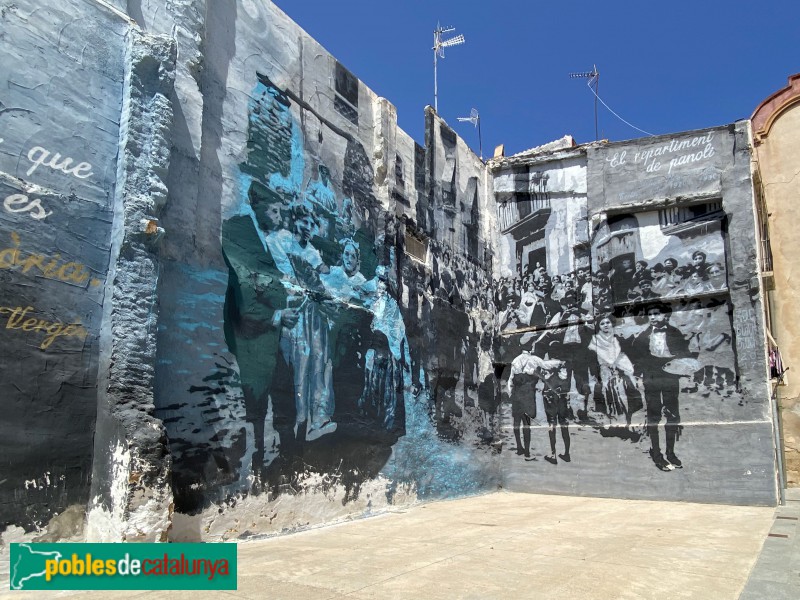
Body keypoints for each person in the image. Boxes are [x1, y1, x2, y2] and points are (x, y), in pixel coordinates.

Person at [267, 199, 337, 443]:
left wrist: (323, 274)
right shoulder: (281, 240)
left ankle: (318, 418)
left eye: (311, 223)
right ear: (295, 221)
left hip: (313, 314)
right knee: (300, 364)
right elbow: (283, 274)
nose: (308, 227)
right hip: (295, 312)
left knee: (319, 363)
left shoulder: (311, 251)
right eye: (304, 222)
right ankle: (299, 421)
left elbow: (323, 270)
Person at [630, 303, 693, 471]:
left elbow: (684, 353)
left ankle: (670, 453)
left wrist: (680, 368)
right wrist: (638, 376)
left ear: (665, 316)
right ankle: (657, 454)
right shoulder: (643, 336)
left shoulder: (674, 333)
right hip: (651, 377)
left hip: (670, 375)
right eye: (650, 314)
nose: (652, 317)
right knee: (654, 415)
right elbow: (637, 358)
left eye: (656, 314)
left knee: (672, 414)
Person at [587, 315, 643, 438]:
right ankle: (614, 425)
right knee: (610, 398)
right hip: (605, 373)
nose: (606, 325)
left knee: (624, 397)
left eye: (608, 322)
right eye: (602, 323)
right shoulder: (594, 341)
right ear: (598, 326)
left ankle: (626, 424)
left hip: (621, 372)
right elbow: (593, 361)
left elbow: (625, 355)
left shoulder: (618, 339)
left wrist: (621, 367)